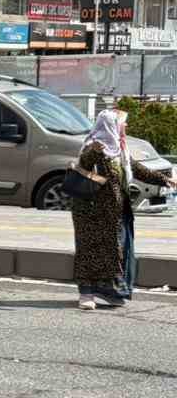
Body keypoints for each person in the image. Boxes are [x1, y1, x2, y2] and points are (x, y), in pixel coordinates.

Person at [71, 107, 177, 310]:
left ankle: (109, 291)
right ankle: (86, 293)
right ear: (112, 125)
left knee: (114, 251)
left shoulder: (119, 150)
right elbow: (84, 164)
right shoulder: (94, 147)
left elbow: (138, 170)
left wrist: (167, 181)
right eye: (122, 123)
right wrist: (95, 150)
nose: (126, 126)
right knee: (89, 249)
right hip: (90, 211)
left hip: (115, 211)